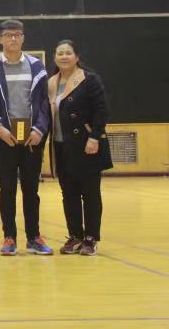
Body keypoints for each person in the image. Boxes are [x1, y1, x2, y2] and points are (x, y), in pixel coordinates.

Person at [0, 19, 53, 256]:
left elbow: (44, 102)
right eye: (8, 35)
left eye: (17, 35)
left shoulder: (37, 66)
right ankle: (9, 237)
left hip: (32, 139)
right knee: (7, 190)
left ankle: (34, 238)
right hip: (6, 138)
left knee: (31, 190)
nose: (13, 39)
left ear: (23, 38)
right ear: (0, 39)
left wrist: (39, 129)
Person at [49, 40, 112, 256]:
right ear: (55, 58)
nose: (64, 57)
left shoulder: (89, 79)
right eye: (60, 53)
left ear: (76, 57)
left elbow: (101, 110)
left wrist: (94, 137)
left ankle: (91, 238)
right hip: (61, 146)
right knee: (69, 194)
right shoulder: (51, 82)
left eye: (68, 53)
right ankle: (75, 235)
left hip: (86, 145)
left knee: (90, 194)